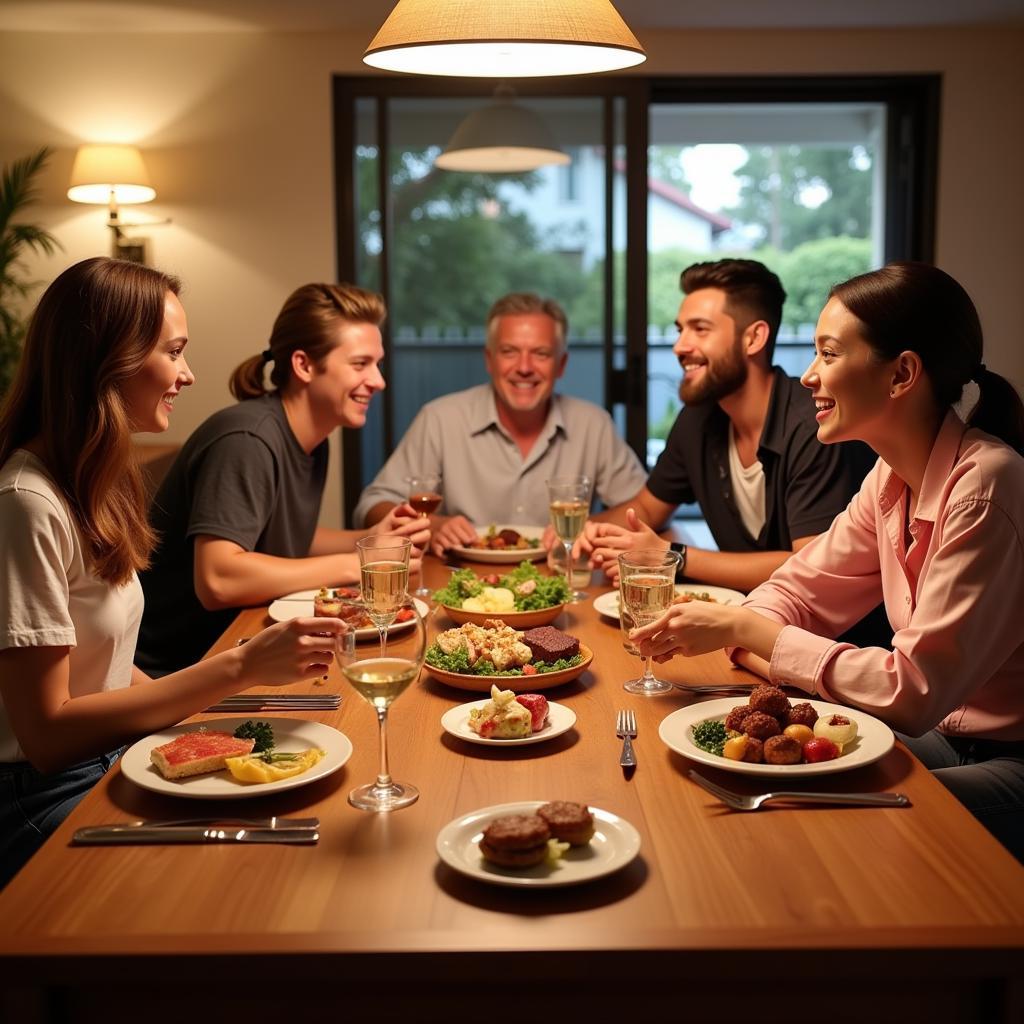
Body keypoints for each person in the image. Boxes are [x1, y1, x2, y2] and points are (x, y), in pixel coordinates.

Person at [632, 262, 1024, 860]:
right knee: (743, 788)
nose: (810, 376)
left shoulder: (987, 483)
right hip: (945, 735)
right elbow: (798, 589)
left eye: (830, 354)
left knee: (830, 828)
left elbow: (913, 690)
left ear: (901, 375)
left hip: (1008, 755)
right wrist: (747, 629)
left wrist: (744, 629)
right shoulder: (890, 477)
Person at [0, 258, 348, 888]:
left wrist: (202, 720)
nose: (188, 374)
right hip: (35, 795)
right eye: (175, 352)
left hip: (99, 758)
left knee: (300, 816)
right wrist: (235, 669)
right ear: (109, 357)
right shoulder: (26, 504)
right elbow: (46, 735)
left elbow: (107, 664)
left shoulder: (94, 484)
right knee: (238, 877)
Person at [135, 283, 429, 678]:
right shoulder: (248, 440)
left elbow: (286, 538)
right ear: (304, 365)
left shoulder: (310, 437)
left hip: (242, 653)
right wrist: (359, 565)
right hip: (178, 670)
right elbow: (219, 579)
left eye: (377, 364)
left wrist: (373, 542)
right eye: (361, 364)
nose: (379, 381)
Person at [579, 259, 876, 592]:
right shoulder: (699, 418)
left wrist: (672, 555)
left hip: (830, 637)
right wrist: (587, 529)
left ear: (753, 338)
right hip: (746, 620)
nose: (680, 346)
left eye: (700, 329)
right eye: (680, 330)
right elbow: (649, 507)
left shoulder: (816, 425)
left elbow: (811, 565)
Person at [353, 292, 648, 555]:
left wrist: (589, 526)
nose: (523, 368)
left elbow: (643, 509)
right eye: (509, 352)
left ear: (561, 364)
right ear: (489, 360)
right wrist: (430, 524)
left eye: (541, 354)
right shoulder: (440, 418)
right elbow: (373, 505)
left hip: (563, 584)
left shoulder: (593, 425)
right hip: (460, 587)